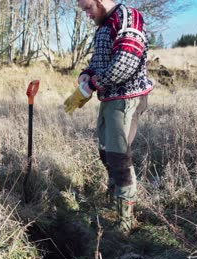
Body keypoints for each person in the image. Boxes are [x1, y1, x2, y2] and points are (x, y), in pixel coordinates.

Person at [63, 0, 153, 235]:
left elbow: (124, 64)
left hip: (126, 98)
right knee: (105, 150)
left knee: (118, 155)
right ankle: (114, 197)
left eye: (87, 7)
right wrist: (86, 74)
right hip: (109, 98)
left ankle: (126, 221)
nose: (86, 14)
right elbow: (100, 60)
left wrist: (93, 84)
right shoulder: (105, 25)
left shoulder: (128, 18)